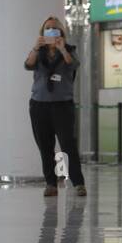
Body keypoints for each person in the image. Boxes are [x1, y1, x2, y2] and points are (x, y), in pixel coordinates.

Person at [24, 16, 85, 197]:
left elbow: (73, 64)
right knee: (45, 146)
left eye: (55, 28)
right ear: (43, 33)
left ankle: (78, 183)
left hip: (62, 106)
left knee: (68, 145)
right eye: (48, 28)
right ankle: (51, 183)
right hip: (39, 105)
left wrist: (62, 48)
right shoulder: (39, 51)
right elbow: (28, 65)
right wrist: (36, 46)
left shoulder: (69, 50)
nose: (51, 31)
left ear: (61, 32)